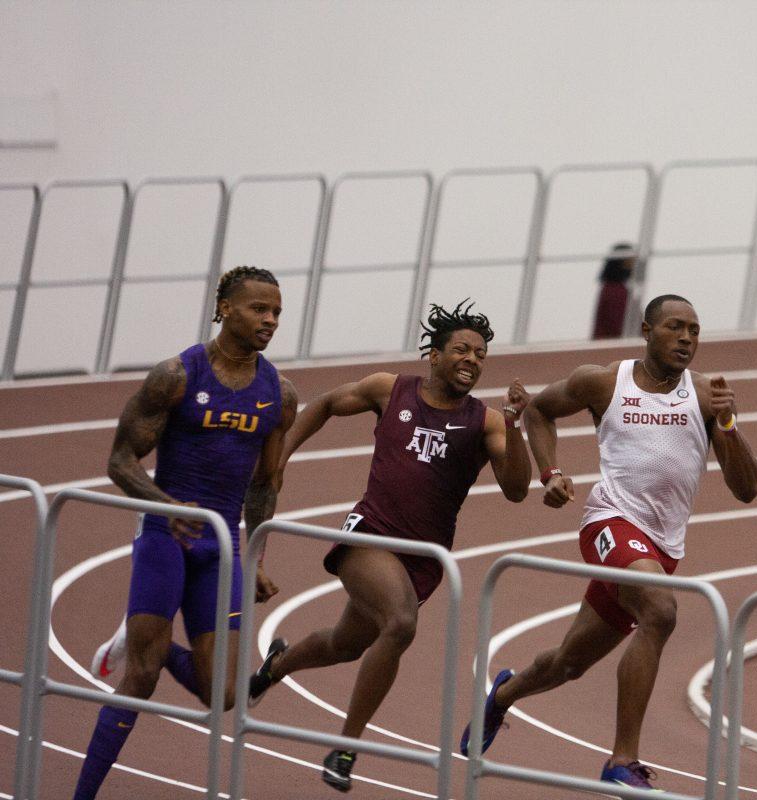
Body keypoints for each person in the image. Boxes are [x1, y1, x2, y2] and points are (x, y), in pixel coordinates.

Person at [460, 294, 757, 791]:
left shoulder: (708, 396)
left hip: (662, 548)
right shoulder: (603, 381)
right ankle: (622, 761)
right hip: (610, 523)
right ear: (646, 330)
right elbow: (538, 412)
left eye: (695, 330)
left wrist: (728, 425)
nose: (687, 338)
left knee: (569, 663)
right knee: (661, 613)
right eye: (675, 327)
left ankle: (502, 696)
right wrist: (551, 472)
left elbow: (747, 488)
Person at [248, 300, 532, 792]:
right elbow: (326, 405)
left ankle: (277, 665)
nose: (471, 359)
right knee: (399, 625)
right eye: (461, 349)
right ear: (434, 355)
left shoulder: (484, 422)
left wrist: (513, 423)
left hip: (422, 559)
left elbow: (516, 489)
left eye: (480, 354)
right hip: (369, 534)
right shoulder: (390, 389)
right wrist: (282, 455)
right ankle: (346, 747)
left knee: (345, 644)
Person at [74, 267, 296, 800]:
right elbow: (121, 462)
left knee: (220, 695)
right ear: (223, 308)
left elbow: (265, 486)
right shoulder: (176, 375)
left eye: (277, 313)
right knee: (142, 677)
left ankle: (140, 637)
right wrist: (166, 506)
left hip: (221, 548)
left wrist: (256, 555)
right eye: (258, 309)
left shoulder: (279, 394)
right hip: (163, 536)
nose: (269, 320)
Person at [592, 242, 636, 339]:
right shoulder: (615, 291)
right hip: (611, 349)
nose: (634, 265)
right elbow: (621, 325)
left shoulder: (613, 289)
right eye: (631, 261)